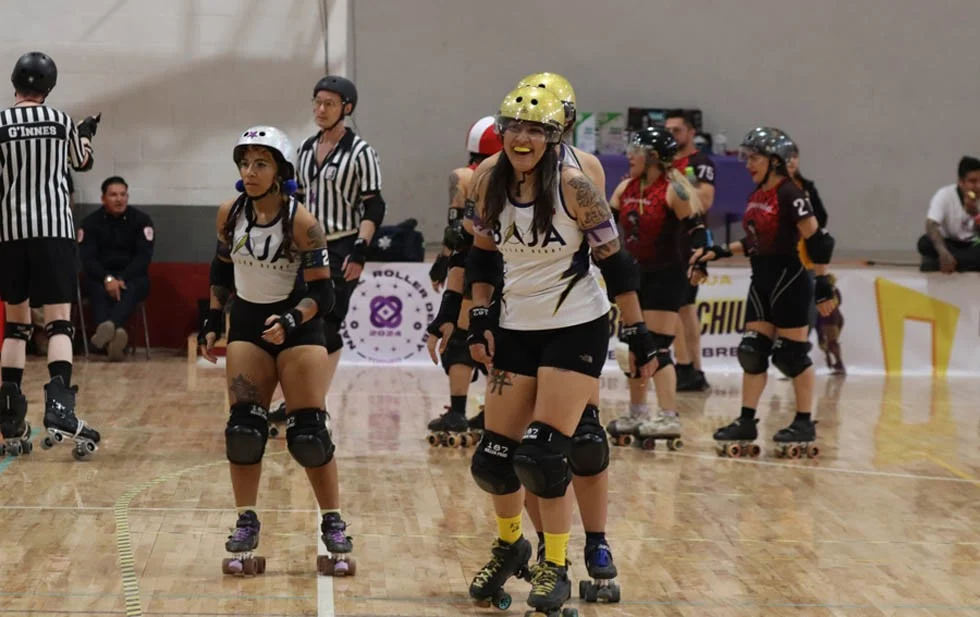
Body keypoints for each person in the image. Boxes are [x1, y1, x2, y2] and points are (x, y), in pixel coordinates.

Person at [463, 86, 657, 615]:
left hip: (575, 326)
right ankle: (510, 546)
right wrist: (478, 317)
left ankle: (556, 563)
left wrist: (638, 330)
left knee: (543, 455)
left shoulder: (573, 184)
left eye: (535, 130)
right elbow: (481, 257)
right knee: (493, 461)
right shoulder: (488, 179)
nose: (521, 139)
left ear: (554, 138)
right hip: (515, 326)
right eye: (514, 128)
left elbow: (616, 263)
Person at [197, 126, 353, 576]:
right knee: (243, 431)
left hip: (298, 329)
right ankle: (245, 520)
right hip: (248, 325)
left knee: (309, 435)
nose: (250, 172)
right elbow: (221, 271)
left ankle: (333, 522)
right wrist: (212, 320)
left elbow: (325, 295)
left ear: (280, 172)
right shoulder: (229, 214)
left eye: (261, 164)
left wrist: (290, 321)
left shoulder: (303, 223)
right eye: (245, 163)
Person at [691, 127, 839, 459]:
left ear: (774, 161)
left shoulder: (791, 193)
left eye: (754, 158)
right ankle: (746, 421)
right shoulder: (758, 193)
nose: (748, 164)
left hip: (789, 281)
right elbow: (755, 239)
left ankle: (804, 422)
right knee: (752, 352)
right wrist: (720, 251)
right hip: (761, 280)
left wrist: (823, 282)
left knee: (791, 356)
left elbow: (819, 240)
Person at [0, 51, 102, 459]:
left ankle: (10, 416)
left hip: (9, 234)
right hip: (53, 231)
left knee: (16, 326)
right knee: (59, 322)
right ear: (49, 87)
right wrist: (86, 132)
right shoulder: (60, 121)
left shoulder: (0, 123)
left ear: (14, 83)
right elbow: (83, 160)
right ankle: (60, 409)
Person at [606, 126, 705, 447]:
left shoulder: (674, 190)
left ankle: (669, 416)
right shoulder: (625, 188)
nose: (629, 156)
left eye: (636, 151)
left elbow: (698, 231)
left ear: (652, 157)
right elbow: (603, 228)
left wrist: (700, 261)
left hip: (666, 275)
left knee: (658, 347)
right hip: (633, 275)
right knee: (632, 347)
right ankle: (637, 412)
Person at [425, 116, 502, 441]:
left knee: (461, 335)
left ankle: (457, 412)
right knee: (495, 336)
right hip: (506, 263)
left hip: (471, 263)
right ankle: (494, 409)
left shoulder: (464, 176)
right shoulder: (511, 178)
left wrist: (443, 262)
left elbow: (455, 231)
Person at [664, 109, 716, 391]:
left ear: (691, 133)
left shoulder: (700, 162)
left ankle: (689, 367)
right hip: (668, 242)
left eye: (677, 130)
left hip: (689, 243)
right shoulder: (663, 161)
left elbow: (704, 201)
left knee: (681, 307)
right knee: (683, 307)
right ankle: (691, 369)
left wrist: (674, 190)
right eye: (668, 130)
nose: (671, 135)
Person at [79, 176, 154, 361]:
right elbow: (87, 259)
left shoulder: (141, 221)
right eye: (113, 195)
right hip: (100, 276)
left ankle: (108, 329)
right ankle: (115, 336)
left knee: (133, 287)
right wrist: (107, 279)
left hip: (131, 276)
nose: (119, 199)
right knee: (97, 288)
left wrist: (121, 279)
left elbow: (143, 257)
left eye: (123, 194)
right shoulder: (90, 223)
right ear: (103, 198)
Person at [786, 147, 844, 374]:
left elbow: (822, 218)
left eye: (794, 157)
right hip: (783, 257)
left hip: (807, 259)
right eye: (787, 158)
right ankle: (783, 353)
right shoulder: (771, 189)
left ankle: (798, 352)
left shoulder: (807, 187)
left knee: (808, 309)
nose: (791, 162)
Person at [917, 156, 980, 273]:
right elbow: (931, 224)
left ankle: (935, 264)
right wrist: (943, 252)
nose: (978, 186)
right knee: (924, 242)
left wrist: (976, 214)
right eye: (973, 181)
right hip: (950, 243)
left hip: (974, 244)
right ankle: (962, 262)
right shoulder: (945, 195)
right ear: (961, 182)